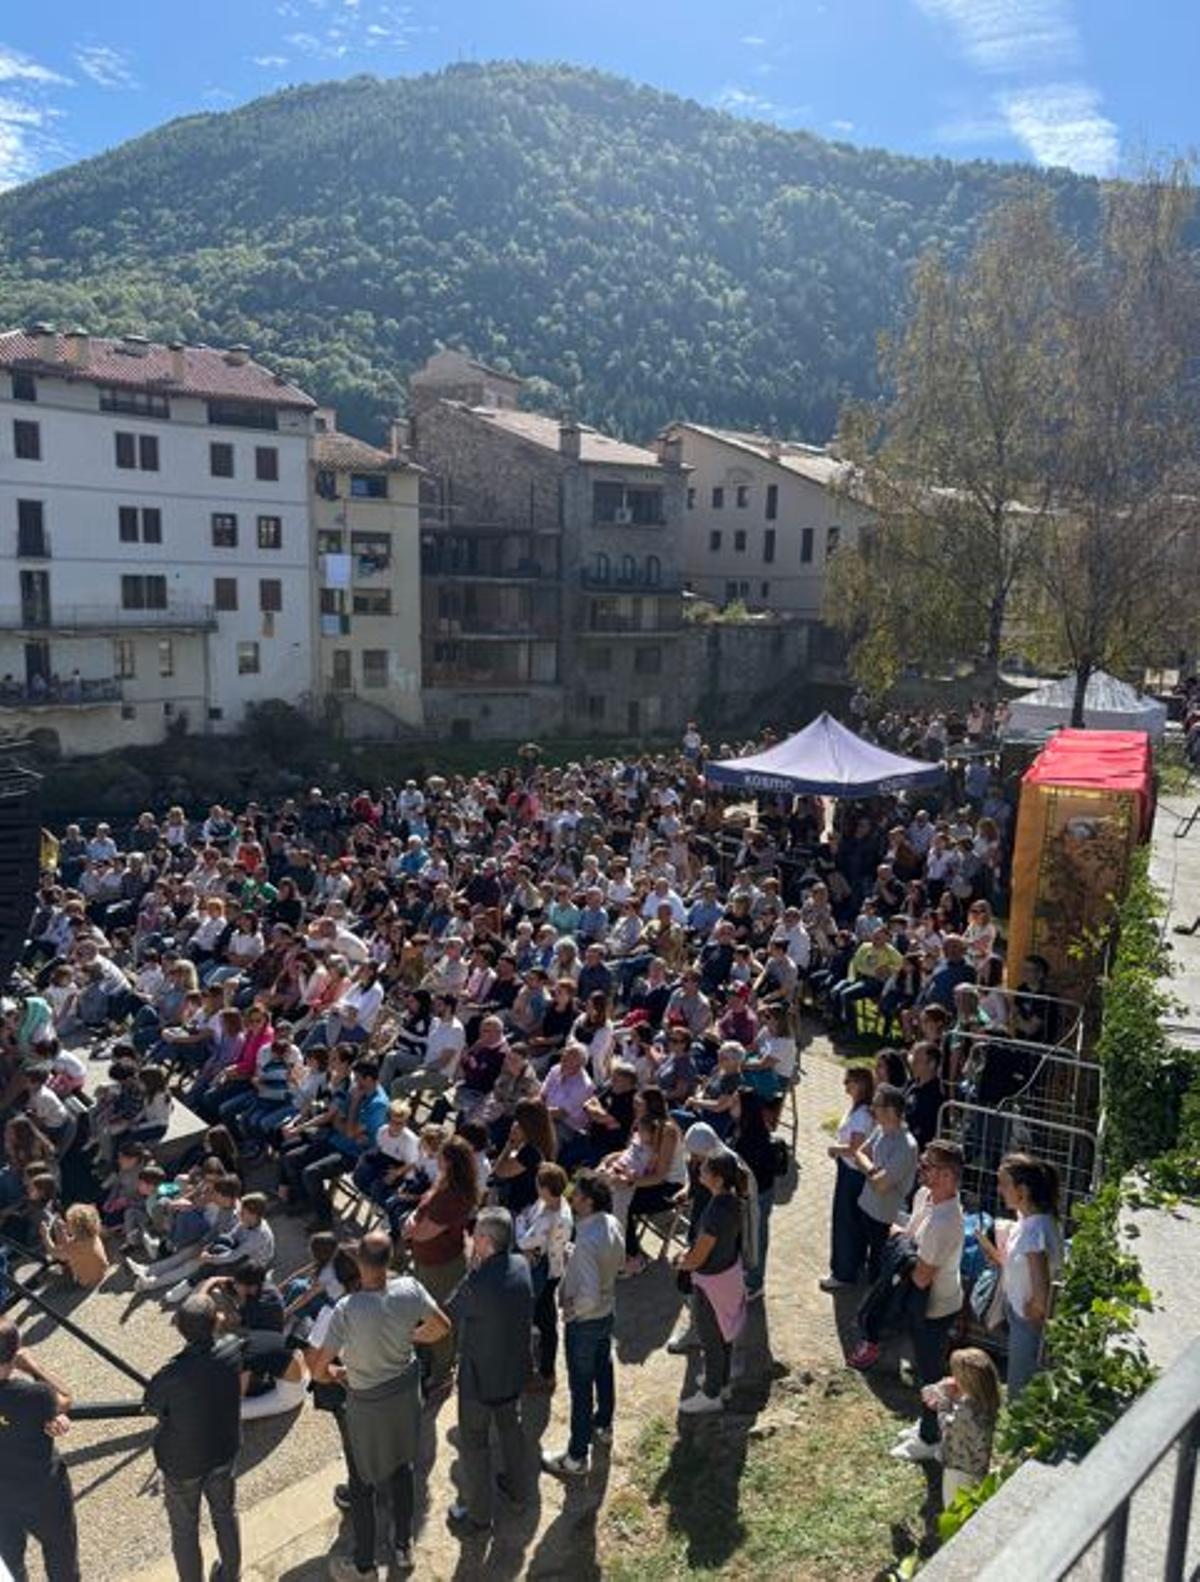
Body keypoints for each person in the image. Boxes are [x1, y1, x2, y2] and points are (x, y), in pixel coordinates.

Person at [309, 1231, 451, 1579]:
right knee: (402, 1467)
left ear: (360, 1263)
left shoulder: (347, 1309)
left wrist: (340, 1374)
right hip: (404, 1394)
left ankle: (364, 1565)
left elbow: (318, 1370)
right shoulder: (410, 1288)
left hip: (367, 1403)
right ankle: (403, 1546)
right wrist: (412, 1336)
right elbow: (442, 1327)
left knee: (362, 1482)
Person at [851, 1142, 966, 1466]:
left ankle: (930, 1439)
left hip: (935, 1308)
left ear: (945, 1175)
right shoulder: (924, 1196)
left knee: (928, 1375)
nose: (921, 1169)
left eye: (927, 1166)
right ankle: (927, 1423)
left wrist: (902, 1245)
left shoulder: (946, 1221)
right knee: (922, 1369)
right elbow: (907, 1237)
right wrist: (905, 1245)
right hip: (922, 1303)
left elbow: (920, 1276)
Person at [445, 1206, 534, 1534]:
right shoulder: (521, 1265)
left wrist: (471, 1265)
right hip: (513, 1372)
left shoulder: (477, 1282)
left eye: (474, 1235)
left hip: (479, 1381)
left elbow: (449, 1313)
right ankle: (517, 1488)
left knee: (475, 1445)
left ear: (483, 1240)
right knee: (511, 1429)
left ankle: (480, 1517)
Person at [143, 1295, 243, 1582]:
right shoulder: (233, 1349)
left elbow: (152, 1406)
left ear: (180, 1329)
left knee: (185, 1530)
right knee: (225, 1514)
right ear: (216, 1321)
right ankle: (231, 1574)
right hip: (224, 1449)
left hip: (182, 1461)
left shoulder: (171, 1374)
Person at [541, 1170, 625, 1478]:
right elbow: (614, 1263)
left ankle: (576, 1456)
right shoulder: (610, 1223)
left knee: (580, 1388)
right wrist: (574, 1257)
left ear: (587, 1201)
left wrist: (570, 1311)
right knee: (604, 1370)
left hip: (586, 1322)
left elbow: (586, 1297)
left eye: (575, 1194)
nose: (570, 1197)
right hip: (607, 1314)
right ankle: (603, 1425)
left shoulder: (587, 1239)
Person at [976, 1154, 1063, 1399]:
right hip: (1021, 1319)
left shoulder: (1034, 1231)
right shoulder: (1034, 1222)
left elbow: (1041, 1290)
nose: (999, 1189)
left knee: (1021, 1393)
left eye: (1004, 1183)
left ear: (1022, 1190)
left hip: (1028, 1324)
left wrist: (1033, 1310)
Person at [0, 1316, 78, 1582]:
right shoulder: (35, 1396)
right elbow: (64, 1398)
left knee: (9, 1565)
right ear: (15, 1351)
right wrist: (32, 1365)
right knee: (61, 1558)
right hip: (43, 1491)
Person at [671, 1149, 747, 1415]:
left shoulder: (716, 1212)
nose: (698, 1171)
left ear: (716, 1179)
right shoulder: (733, 1200)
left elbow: (698, 1256)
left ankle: (712, 1394)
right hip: (728, 1276)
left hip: (711, 1283)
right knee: (724, 1335)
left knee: (711, 1339)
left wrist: (680, 1261)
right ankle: (722, 1382)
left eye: (703, 1169)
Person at [402, 1134, 479, 1392]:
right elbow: (424, 1206)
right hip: (428, 1260)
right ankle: (429, 1358)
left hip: (441, 1265)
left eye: (441, 1155)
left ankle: (443, 1372)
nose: (437, 1158)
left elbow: (424, 1233)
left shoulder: (454, 1197)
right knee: (426, 1313)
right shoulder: (445, 1181)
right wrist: (413, 1218)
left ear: (450, 1162)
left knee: (439, 1321)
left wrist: (410, 1229)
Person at [852, 1084, 918, 1282]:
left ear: (890, 1111)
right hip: (866, 1206)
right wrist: (874, 1171)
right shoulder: (880, 1129)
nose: (872, 1109)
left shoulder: (906, 1145)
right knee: (866, 1263)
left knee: (879, 1270)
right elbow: (858, 1154)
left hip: (884, 1218)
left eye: (876, 1105)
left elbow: (882, 1185)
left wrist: (871, 1172)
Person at [516, 1163, 574, 1390]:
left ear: (545, 1188)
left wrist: (520, 1222)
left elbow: (524, 1239)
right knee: (543, 1316)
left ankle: (546, 1372)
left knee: (545, 1319)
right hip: (553, 1267)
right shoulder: (558, 1204)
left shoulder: (549, 1217)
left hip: (545, 1272)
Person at [919, 1347, 1001, 1506]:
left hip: (959, 1468)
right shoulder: (987, 1398)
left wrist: (944, 1401)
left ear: (967, 1381)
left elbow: (946, 1427)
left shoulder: (966, 1409)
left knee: (954, 1506)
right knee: (973, 1499)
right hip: (978, 1463)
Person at [819, 1066, 874, 1291]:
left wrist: (835, 1149)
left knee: (845, 1223)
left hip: (852, 1173)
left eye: (849, 1081)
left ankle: (842, 1272)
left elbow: (855, 1148)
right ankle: (854, 1264)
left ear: (860, 1084)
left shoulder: (861, 1115)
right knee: (853, 1222)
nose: (845, 1085)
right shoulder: (860, 1109)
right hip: (853, 1172)